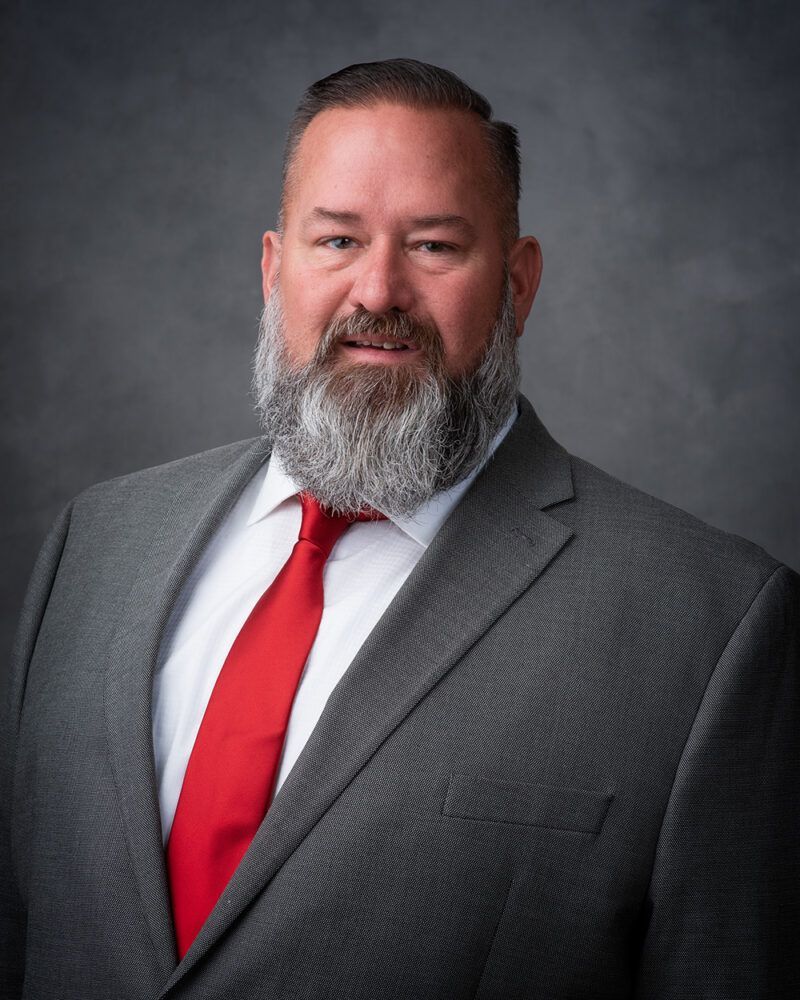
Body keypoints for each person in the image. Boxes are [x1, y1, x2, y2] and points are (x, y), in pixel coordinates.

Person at [2, 58, 798, 1000]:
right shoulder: (97, 545)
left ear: (520, 282)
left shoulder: (712, 624)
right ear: (273, 268)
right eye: (336, 240)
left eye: (433, 247)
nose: (377, 291)